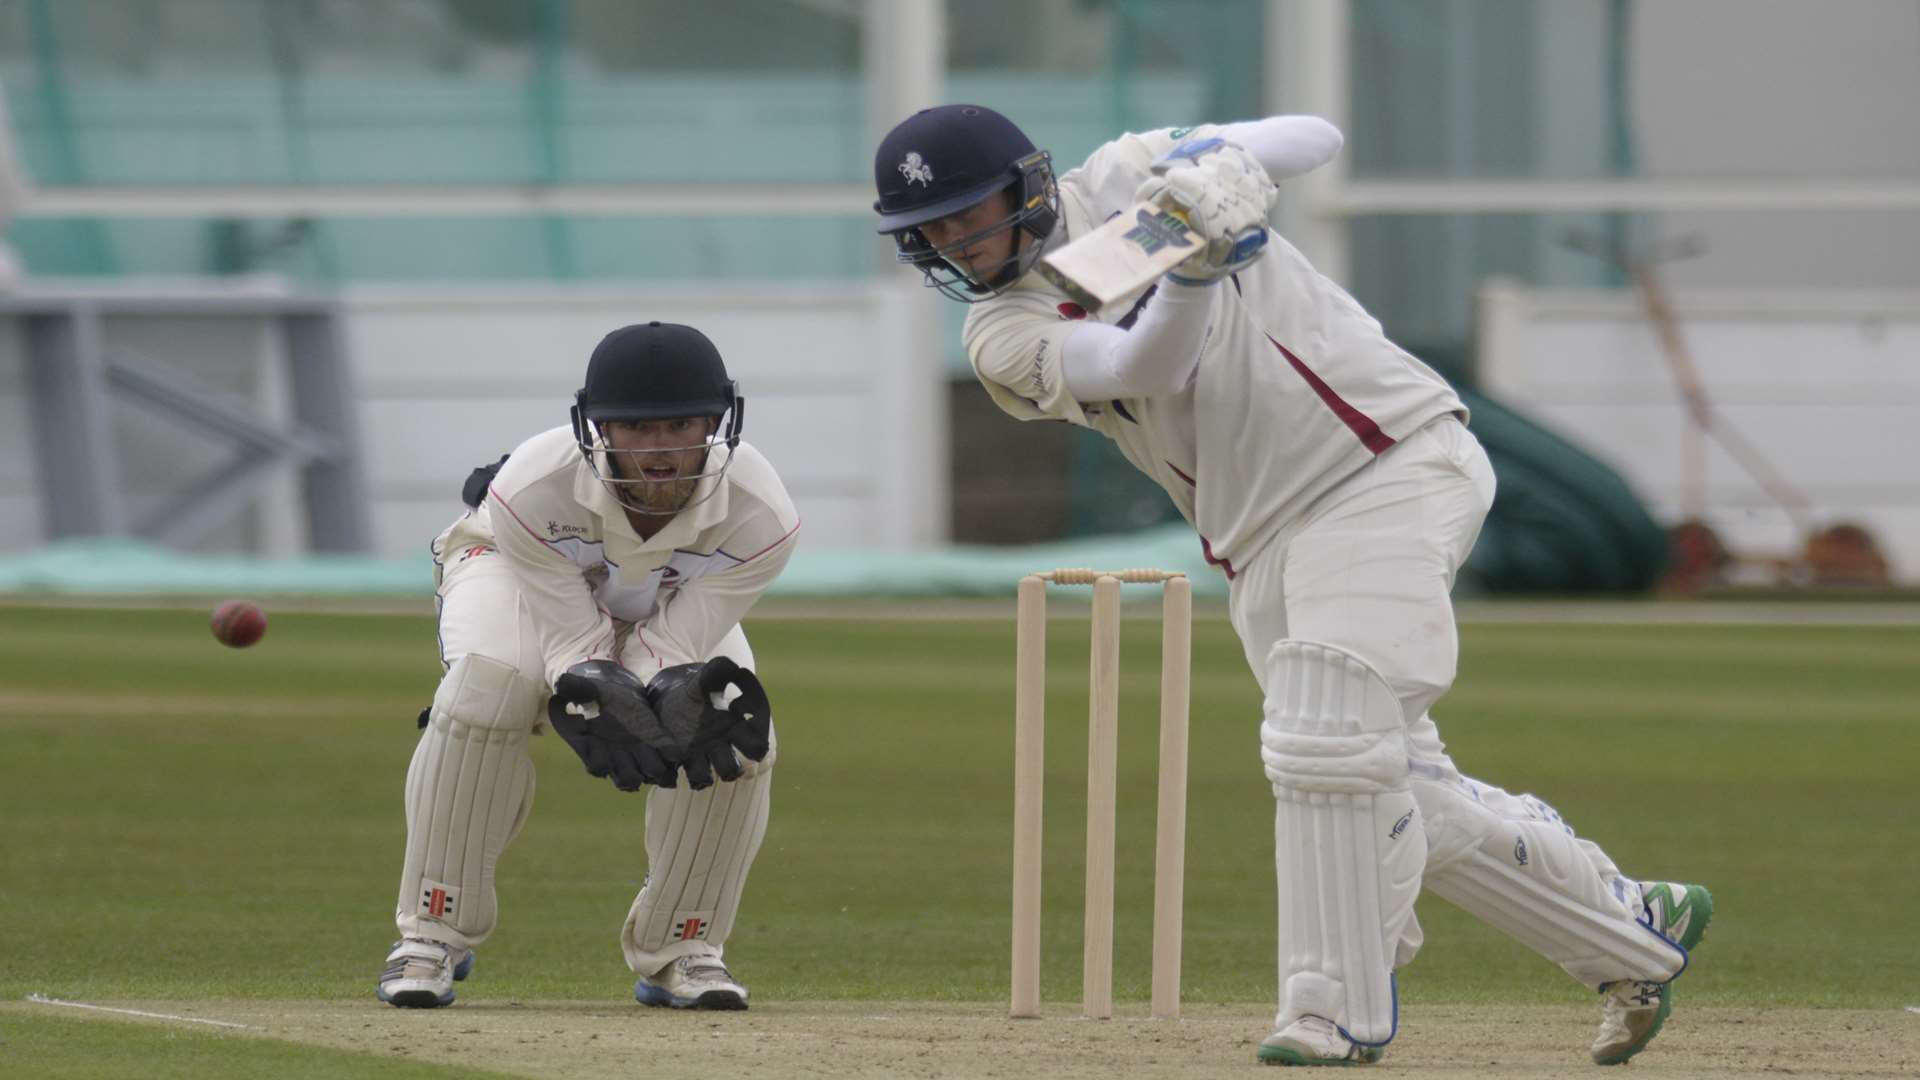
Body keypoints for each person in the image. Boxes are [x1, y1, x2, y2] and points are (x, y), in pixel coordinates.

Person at [872, 105, 1711, 1067]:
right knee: (1386, 787)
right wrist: (1191, 261)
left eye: (963, 216)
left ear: (1024, 185)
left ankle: (1330, 1011)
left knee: (1322, 742)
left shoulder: (1127, 175)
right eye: (926, 234)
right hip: (1259, 542)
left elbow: (1315, 135)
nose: (951, 245)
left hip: (1384, 463)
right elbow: (1147, 358)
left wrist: (1217, 167)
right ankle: (1631, 925)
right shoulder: (1002, 331)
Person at [377, 321, 800, 1012]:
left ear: (719, 421)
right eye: (637, 428)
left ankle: (684, 947)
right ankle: (430, 935)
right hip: (509, 568)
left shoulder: (763, 515)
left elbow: (675, 642)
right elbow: (572, 641)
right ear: (597, 426)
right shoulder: (532, 487)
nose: (663, 449)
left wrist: (663, 693)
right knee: (491, 687)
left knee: (733, 728)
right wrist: (600, 690)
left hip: (666, 599)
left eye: (683, 424)